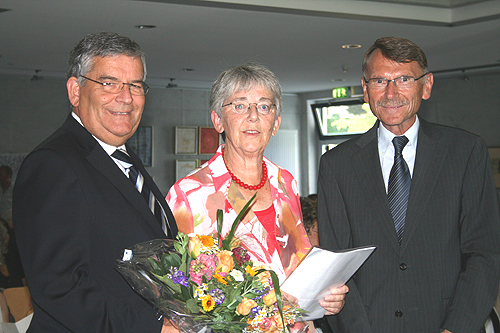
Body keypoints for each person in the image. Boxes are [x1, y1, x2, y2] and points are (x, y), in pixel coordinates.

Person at [317, 36, 500, 333]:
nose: (391, 93)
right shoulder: (337, 164)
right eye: (379, 81)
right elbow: (336, 265)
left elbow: (484, 254)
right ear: (365, 90)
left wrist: (456, 328)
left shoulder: (465, 152)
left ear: (426, 86)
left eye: (403, 79)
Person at [13, 32, 179, 332]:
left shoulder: (126, 162)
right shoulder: (53, 163)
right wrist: (154, 327)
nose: (125, 97)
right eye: (109, 83)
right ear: (75, 91)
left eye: (135, 86)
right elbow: (58, 288)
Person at [166, 63, 348, 330]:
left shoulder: (285, 182)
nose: (253, 116)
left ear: (275, 123)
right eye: (239, 106)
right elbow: (177, 295)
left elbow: (299, 265)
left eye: (264, 107)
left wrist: (327, 296)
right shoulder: (189, 193)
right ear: (218, 120)